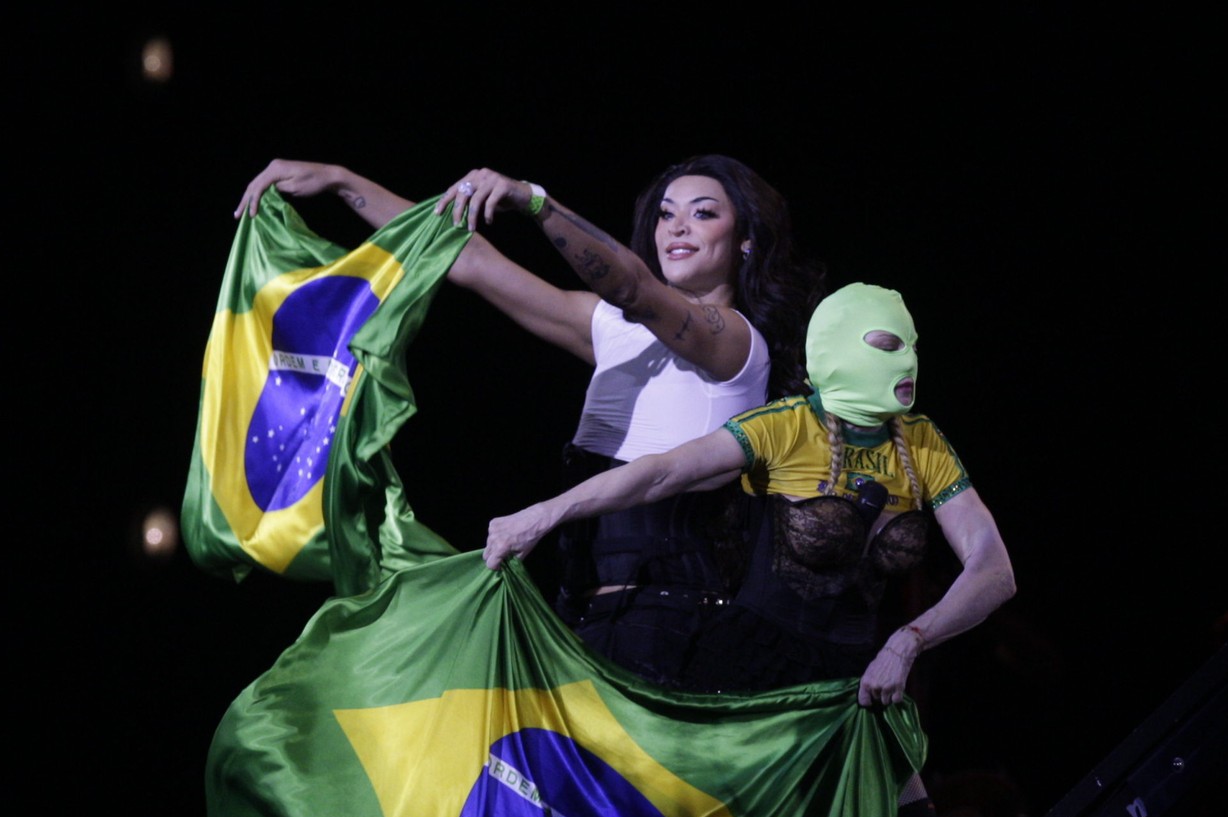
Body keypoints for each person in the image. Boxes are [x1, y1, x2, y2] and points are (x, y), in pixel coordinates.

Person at [485, 281, 1017, 817]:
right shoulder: (787, 424)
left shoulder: (923, 444)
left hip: (855, 693)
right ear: (839, 349)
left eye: (910, 345)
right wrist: (545, 513)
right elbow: (659, 474)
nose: (904, 361)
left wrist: (910, 640)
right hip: (753, 684)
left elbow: (994, 572)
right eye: (886, 343)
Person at [237, 156, 825, 685]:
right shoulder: (610, 328)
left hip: (670, 622)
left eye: (703, 214)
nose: (677, 226)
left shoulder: (740, 346)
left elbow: (633, 288)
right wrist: (343, 180)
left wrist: (534, 201)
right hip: (585, 609)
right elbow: (466, 260)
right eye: (667, 213)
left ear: (745, 241)